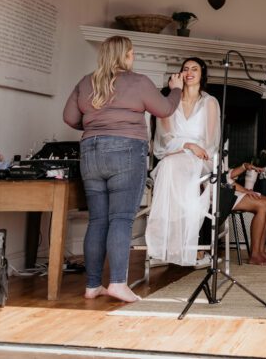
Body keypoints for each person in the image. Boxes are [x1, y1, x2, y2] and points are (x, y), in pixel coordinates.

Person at [63, 35, 182, 303]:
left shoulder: (86, 81)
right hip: (126, 152)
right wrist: (175, 89)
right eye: (132, 53)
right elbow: (164, 109)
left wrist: (98, 126)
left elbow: (70, 117)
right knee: (121, 219)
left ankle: (93, 285)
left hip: (91, 151)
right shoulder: (138, 81)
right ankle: (117, 283)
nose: (133, 57)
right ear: (126, 55)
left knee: (98, 220)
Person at [146, 57, 220, 267]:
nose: (189, 72)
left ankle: (172, 247)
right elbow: (164, 140)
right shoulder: (169, 101)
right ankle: (177, 248)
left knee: (174, 169)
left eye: (194, 69)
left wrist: (193, 149)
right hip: (174, 155)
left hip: (200, 158)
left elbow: (210, 143)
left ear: (202, 74)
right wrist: (187, 145)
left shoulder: (210, 102)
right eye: (185, 69)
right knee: (170, 167)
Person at [220, 162, 266, 265]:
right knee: (262, 204)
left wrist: (244, 166)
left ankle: (260, 251)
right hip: (219, 194)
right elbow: (220, 180)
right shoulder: (205, 154)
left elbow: (226, 176)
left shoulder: (216, 152)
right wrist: (244, 191)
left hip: (227, 188)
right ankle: (254, 255)